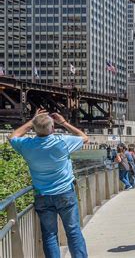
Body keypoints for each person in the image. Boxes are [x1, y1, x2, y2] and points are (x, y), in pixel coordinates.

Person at [8, 109, 89, 258]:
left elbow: (12, 136)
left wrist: (32, 121)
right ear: (52, 128)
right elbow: (84, 137)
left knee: (50, 235)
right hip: (65, 193)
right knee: (73, 231)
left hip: (42, 196)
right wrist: (63, 122)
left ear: (34, 128)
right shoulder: (63, 142)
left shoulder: (27, 145)